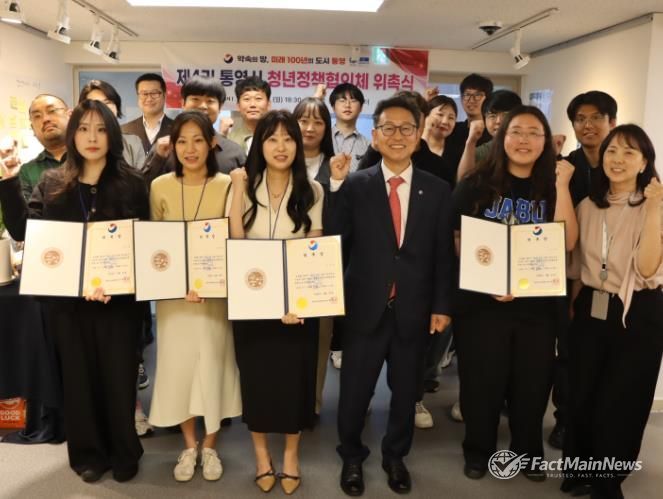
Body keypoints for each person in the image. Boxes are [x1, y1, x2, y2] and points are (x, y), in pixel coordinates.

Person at [0, 99, 149, 482]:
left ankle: (124, 452)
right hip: (68, 305)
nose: (92, 137)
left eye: (100, 129)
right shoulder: (53, 183)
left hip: (119, 304)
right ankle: (88, 455)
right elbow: (26, 232)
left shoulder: (132, 182)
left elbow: (144, 244)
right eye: (83, 129)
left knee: (118, 378)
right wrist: (8, 180)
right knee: (78, 380)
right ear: (73, 134)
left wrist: (116, 283)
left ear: (112, 135)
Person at [325, 96, 454, 496]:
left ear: (418, 135)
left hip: (414, 308)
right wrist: (334, 185)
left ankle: (395, 456)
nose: (397, 136)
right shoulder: (356, 184)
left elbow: (443, 253)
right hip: (364, 306)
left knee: (406, 391)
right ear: (376, 136)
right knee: (354, 391)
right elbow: (334, 238)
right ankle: (351, 455)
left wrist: (441, 305)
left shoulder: (437, 189)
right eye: (388, 128)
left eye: (406, 128)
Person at [451, 105, 577, 481]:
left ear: (546, 141)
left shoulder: (553, 185)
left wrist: (562, 186)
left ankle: (528, 451)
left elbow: (567, 241)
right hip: (482, 306)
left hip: (538, 309)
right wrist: (491, 280)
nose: (524, 140)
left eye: (534, 133)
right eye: (516, 131)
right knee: (481, 383)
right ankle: (478, 450)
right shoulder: (475, 182)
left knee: (533, 384)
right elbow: (458, 238)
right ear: (501, 137)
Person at [562, 124, 663, 499]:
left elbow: (648, 268)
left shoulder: (656, 207)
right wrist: (572, 308)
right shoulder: (588, 206)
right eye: (611, 151)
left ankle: (607, 481)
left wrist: (653, 209)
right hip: (591, 304)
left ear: (644, 162)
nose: (618, 159)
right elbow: (577, 268)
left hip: (638, 311)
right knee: (582, 393)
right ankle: (579, 470)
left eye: (629, 153)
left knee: (622, 399)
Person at [227, 110, 324, 495]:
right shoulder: (243, 186)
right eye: (272, 138)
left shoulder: (312, 191)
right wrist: (238, 189)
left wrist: (297, 303)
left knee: (294, 382)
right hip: (252, 302)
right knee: (257, 380)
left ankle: (291, 456)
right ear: (259, 145)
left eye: (288, 138)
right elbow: (236, 241)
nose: (280, 146)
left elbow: (313, 251)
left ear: (298, 145)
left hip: (295, 308)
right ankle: (262, 456)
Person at [148, 110, 242, 482]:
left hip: (214, 298)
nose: (190, 149)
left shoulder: (227, 184)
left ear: (212, 143)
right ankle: (189, 445)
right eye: (182, 141)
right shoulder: (159, 186)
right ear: (172, 145)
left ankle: (211, 445)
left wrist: (209, 282)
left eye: (198, 140)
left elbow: (235, 240)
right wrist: (172, 283)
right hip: (173, 301)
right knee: (179, 369)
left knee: (213, 367)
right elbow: (154, 248)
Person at [548, 91, 617, 451]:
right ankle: (565, 419)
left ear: (611, 122)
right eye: (580, 119)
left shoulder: (621, 166)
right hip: (566, 274)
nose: (587, 125)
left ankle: (597, 422)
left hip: (612, 281)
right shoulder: (564, 167)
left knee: (604, 354)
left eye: (596, 118)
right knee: (568, 351)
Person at [292, 96, 336, 417]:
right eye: (303, 120)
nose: (309, 128)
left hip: (322, 265)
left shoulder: (336, 166)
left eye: (317, 122)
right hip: (283, 261)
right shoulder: (280, 160)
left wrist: (339, 183)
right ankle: (286, 400)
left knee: (319, 338)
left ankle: (313, 404)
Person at [143, 76, 246, 185]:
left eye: (210, 101)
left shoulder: (234, 152)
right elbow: (142, 188)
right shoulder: (163, 148)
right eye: (195, 99)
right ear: (183, 103)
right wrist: (158, 158)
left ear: (220, 107)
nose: (203, 106)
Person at [456, 89, 522, 181]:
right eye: (492, 116)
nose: (498, 121)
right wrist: (471, 142)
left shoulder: (527, 147)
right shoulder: (481, 152)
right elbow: (463, 182)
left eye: (506, 115)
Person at [78, 79, 146, 169]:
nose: (103, 108)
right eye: (95, 103)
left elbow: (142, 176)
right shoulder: (77, 142)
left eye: (107, 103)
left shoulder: (132, 142)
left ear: (117, 107)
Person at [19, 94, 70, 200]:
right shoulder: (27, 171)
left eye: (52, 111)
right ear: (33, 129)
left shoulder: (90, 158)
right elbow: (24, 209)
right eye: (37, 116)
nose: (45, 119)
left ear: (70, 116)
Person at [443, 73, 494, 176]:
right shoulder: (453, 129)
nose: (471, 100)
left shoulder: (493, 132)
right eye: (467, 95)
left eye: (478, 95)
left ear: (488, 99)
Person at [122, 72, 173, 154]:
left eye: (154, 93)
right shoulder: (124, 130)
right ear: (138, 97)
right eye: (144, 94)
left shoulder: (177, 128)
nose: (149, 99)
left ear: (164, 96)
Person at [329, 83, 370, 173]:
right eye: (342, 100)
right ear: (333, 107)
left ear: (361, 108)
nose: (347, 105)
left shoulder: (368, 145)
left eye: (353, 100)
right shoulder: (322, 139)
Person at [227, 76, 272, 153]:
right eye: (246, 99)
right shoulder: (229, 140)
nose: (252, 104)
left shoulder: (279, 137)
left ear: (268, 105)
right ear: (238, 106)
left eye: (258, 99)